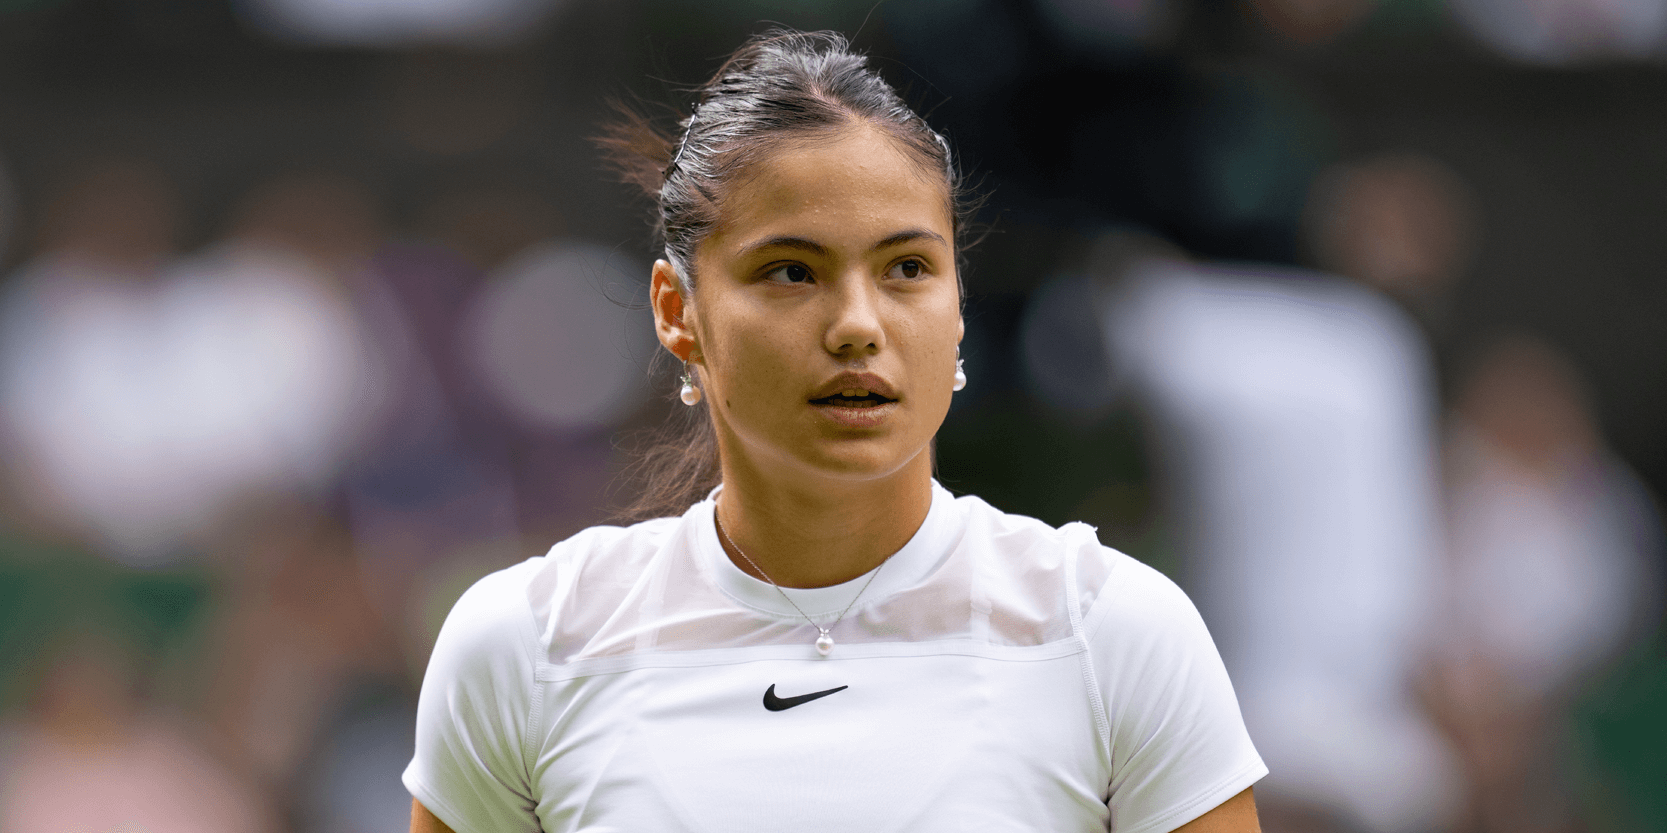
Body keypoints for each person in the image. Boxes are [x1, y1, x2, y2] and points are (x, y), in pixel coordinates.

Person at [404, 30, 1265, 833]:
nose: (858, 323)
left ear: (958, 302)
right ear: (677, 311)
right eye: (790, 270)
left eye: (906, 268)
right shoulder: (528, 644)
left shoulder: (1108, 633)